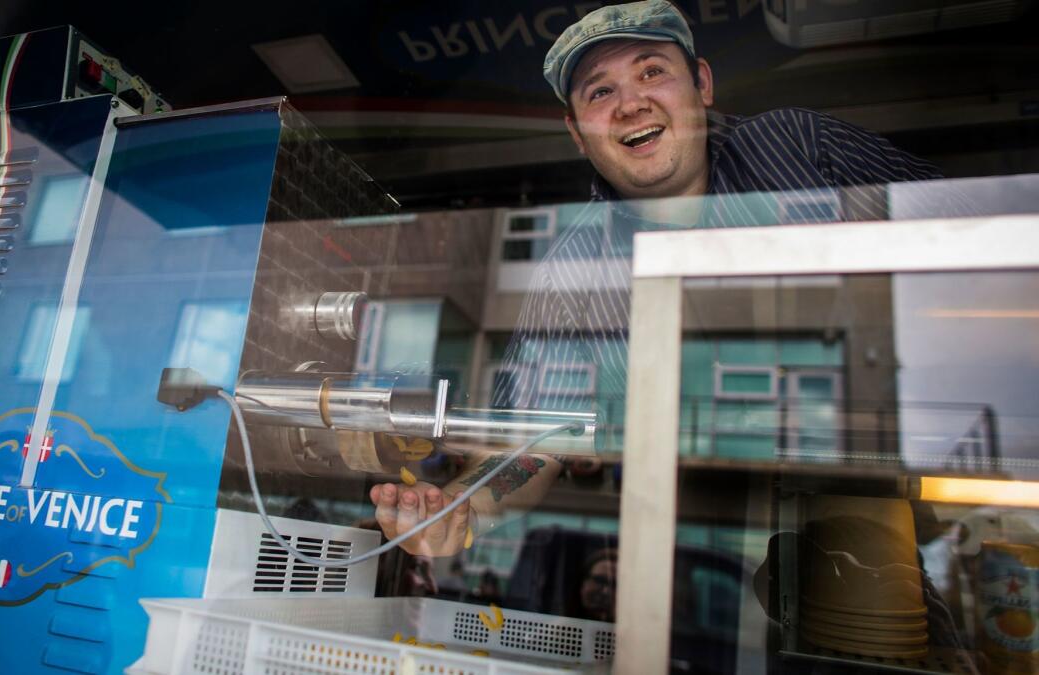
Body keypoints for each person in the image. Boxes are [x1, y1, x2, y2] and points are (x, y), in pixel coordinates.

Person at [369, 0, 947, 557]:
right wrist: (462, 507)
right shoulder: (574, 270)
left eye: (653, 71)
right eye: (601, 91)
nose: (631, 104)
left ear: (702, 83)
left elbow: (971, 240)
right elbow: (535, 442)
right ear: (576, 132)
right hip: (706, 543)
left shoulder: (800, 149)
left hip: (895, 495)